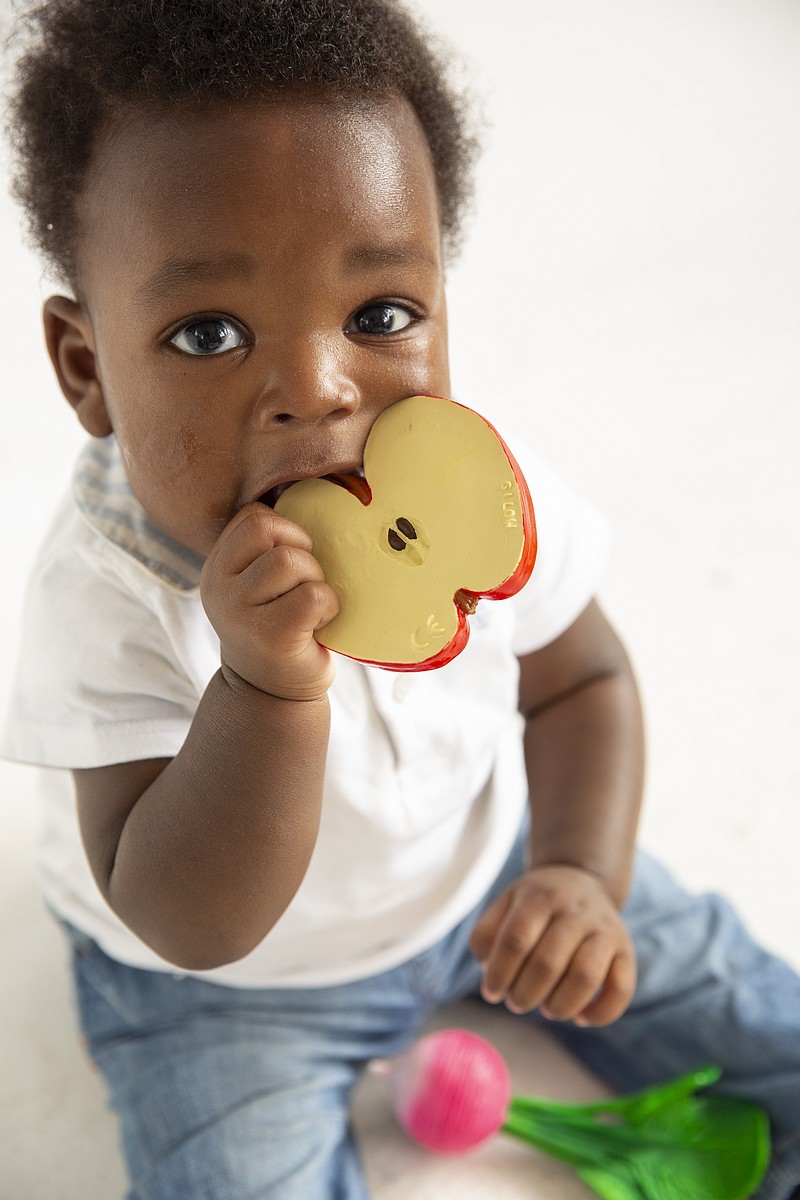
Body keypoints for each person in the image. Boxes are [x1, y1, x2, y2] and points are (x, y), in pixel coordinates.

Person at [2, 2, 798, 1197]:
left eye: (379, 316)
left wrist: (577, 875)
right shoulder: (103, 595)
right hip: (233, 1000)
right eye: (208, 332)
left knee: (761, 1020)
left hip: (487, 867)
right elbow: (186, 919)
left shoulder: (472, 482)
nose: (316, 391)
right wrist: (263, 687)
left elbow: (583, 679)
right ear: (87, 368)